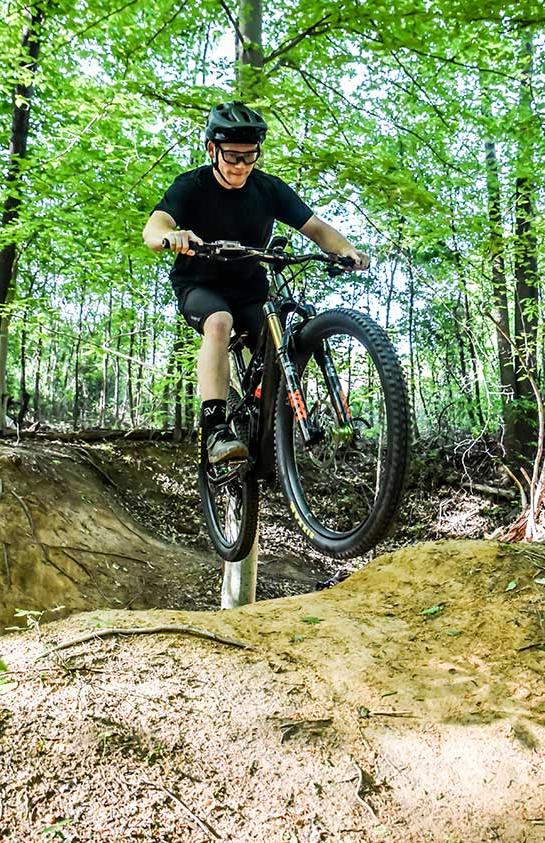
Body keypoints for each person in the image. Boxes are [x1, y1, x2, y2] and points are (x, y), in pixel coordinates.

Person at [143, 101, 369, 464]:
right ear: (212, 150)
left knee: (281, 337)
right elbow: (154, 228)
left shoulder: (268, 189)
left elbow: (315, 228)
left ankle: (269, 420)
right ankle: (215, 428)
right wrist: (172, 236)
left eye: (250, 157)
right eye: (232, 156)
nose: (241, 166)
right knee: (219, 322)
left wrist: (346, 250)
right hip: (200, 286)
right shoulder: (191, 186)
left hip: (250, 288)